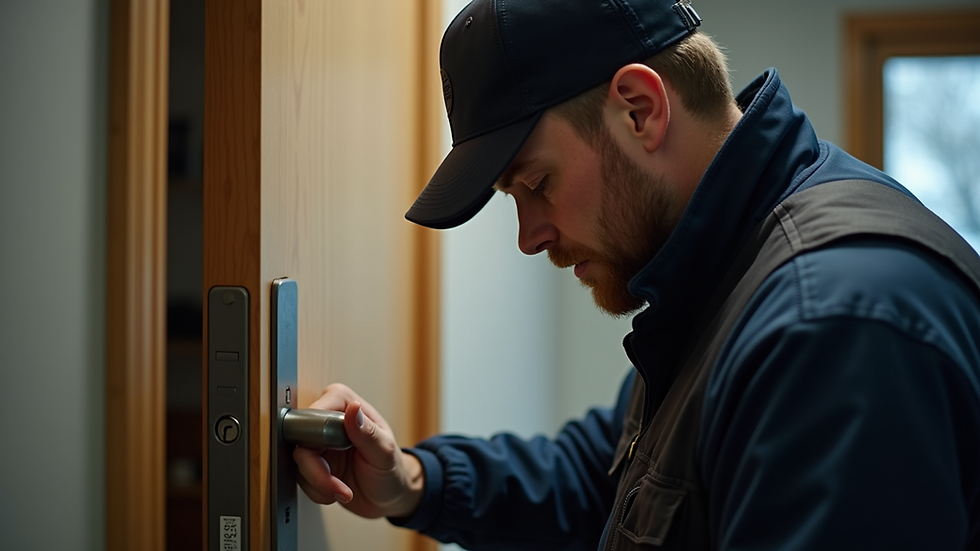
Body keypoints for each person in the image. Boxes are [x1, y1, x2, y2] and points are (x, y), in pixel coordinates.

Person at [294, 0, 980, 549]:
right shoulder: (722, 283)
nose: (530, 237)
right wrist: (412, 481)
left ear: (640, 109)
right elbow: (607, 479)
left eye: (537, 182)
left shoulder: (829, 328)